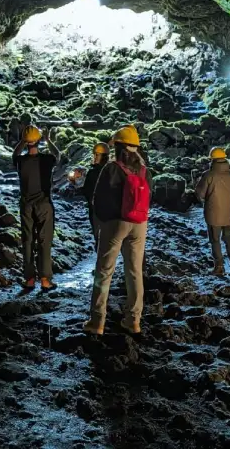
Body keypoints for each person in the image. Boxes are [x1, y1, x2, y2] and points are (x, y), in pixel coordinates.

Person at [83, 125, 152, 335]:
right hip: (140, 224)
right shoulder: (144, 170)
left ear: (119, 147)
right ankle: (134, 320)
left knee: (104, 272)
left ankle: (97, 321)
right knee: (135, 272)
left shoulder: (112, 168)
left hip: (115, 223)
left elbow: (98, 198)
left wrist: (103, 223)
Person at [12, 124, 61, 291]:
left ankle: (29, 279)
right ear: (39, 141)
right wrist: (48, 140)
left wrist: (22, 142)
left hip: (26, 205)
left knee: (27, 241)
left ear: (26, 142)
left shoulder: (20, 161)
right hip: (44, 204)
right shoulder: (47, 160)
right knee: (44, 241)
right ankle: (46, 280)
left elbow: (15, 154)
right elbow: (58, 155)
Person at [195, 147, 230, 275]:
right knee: (228, 236)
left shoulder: (209, 175)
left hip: (214, 214)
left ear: (212, 160)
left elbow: (200, 194)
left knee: (215, 240)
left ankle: (219, 266)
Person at [80, 142, 110, 245]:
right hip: (110, 212)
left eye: (97, 154)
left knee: (99, 240)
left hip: (96, 211)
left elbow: (86, 191)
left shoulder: (93, 173)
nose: (95, 157)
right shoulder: (112, 171)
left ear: (103, 156)